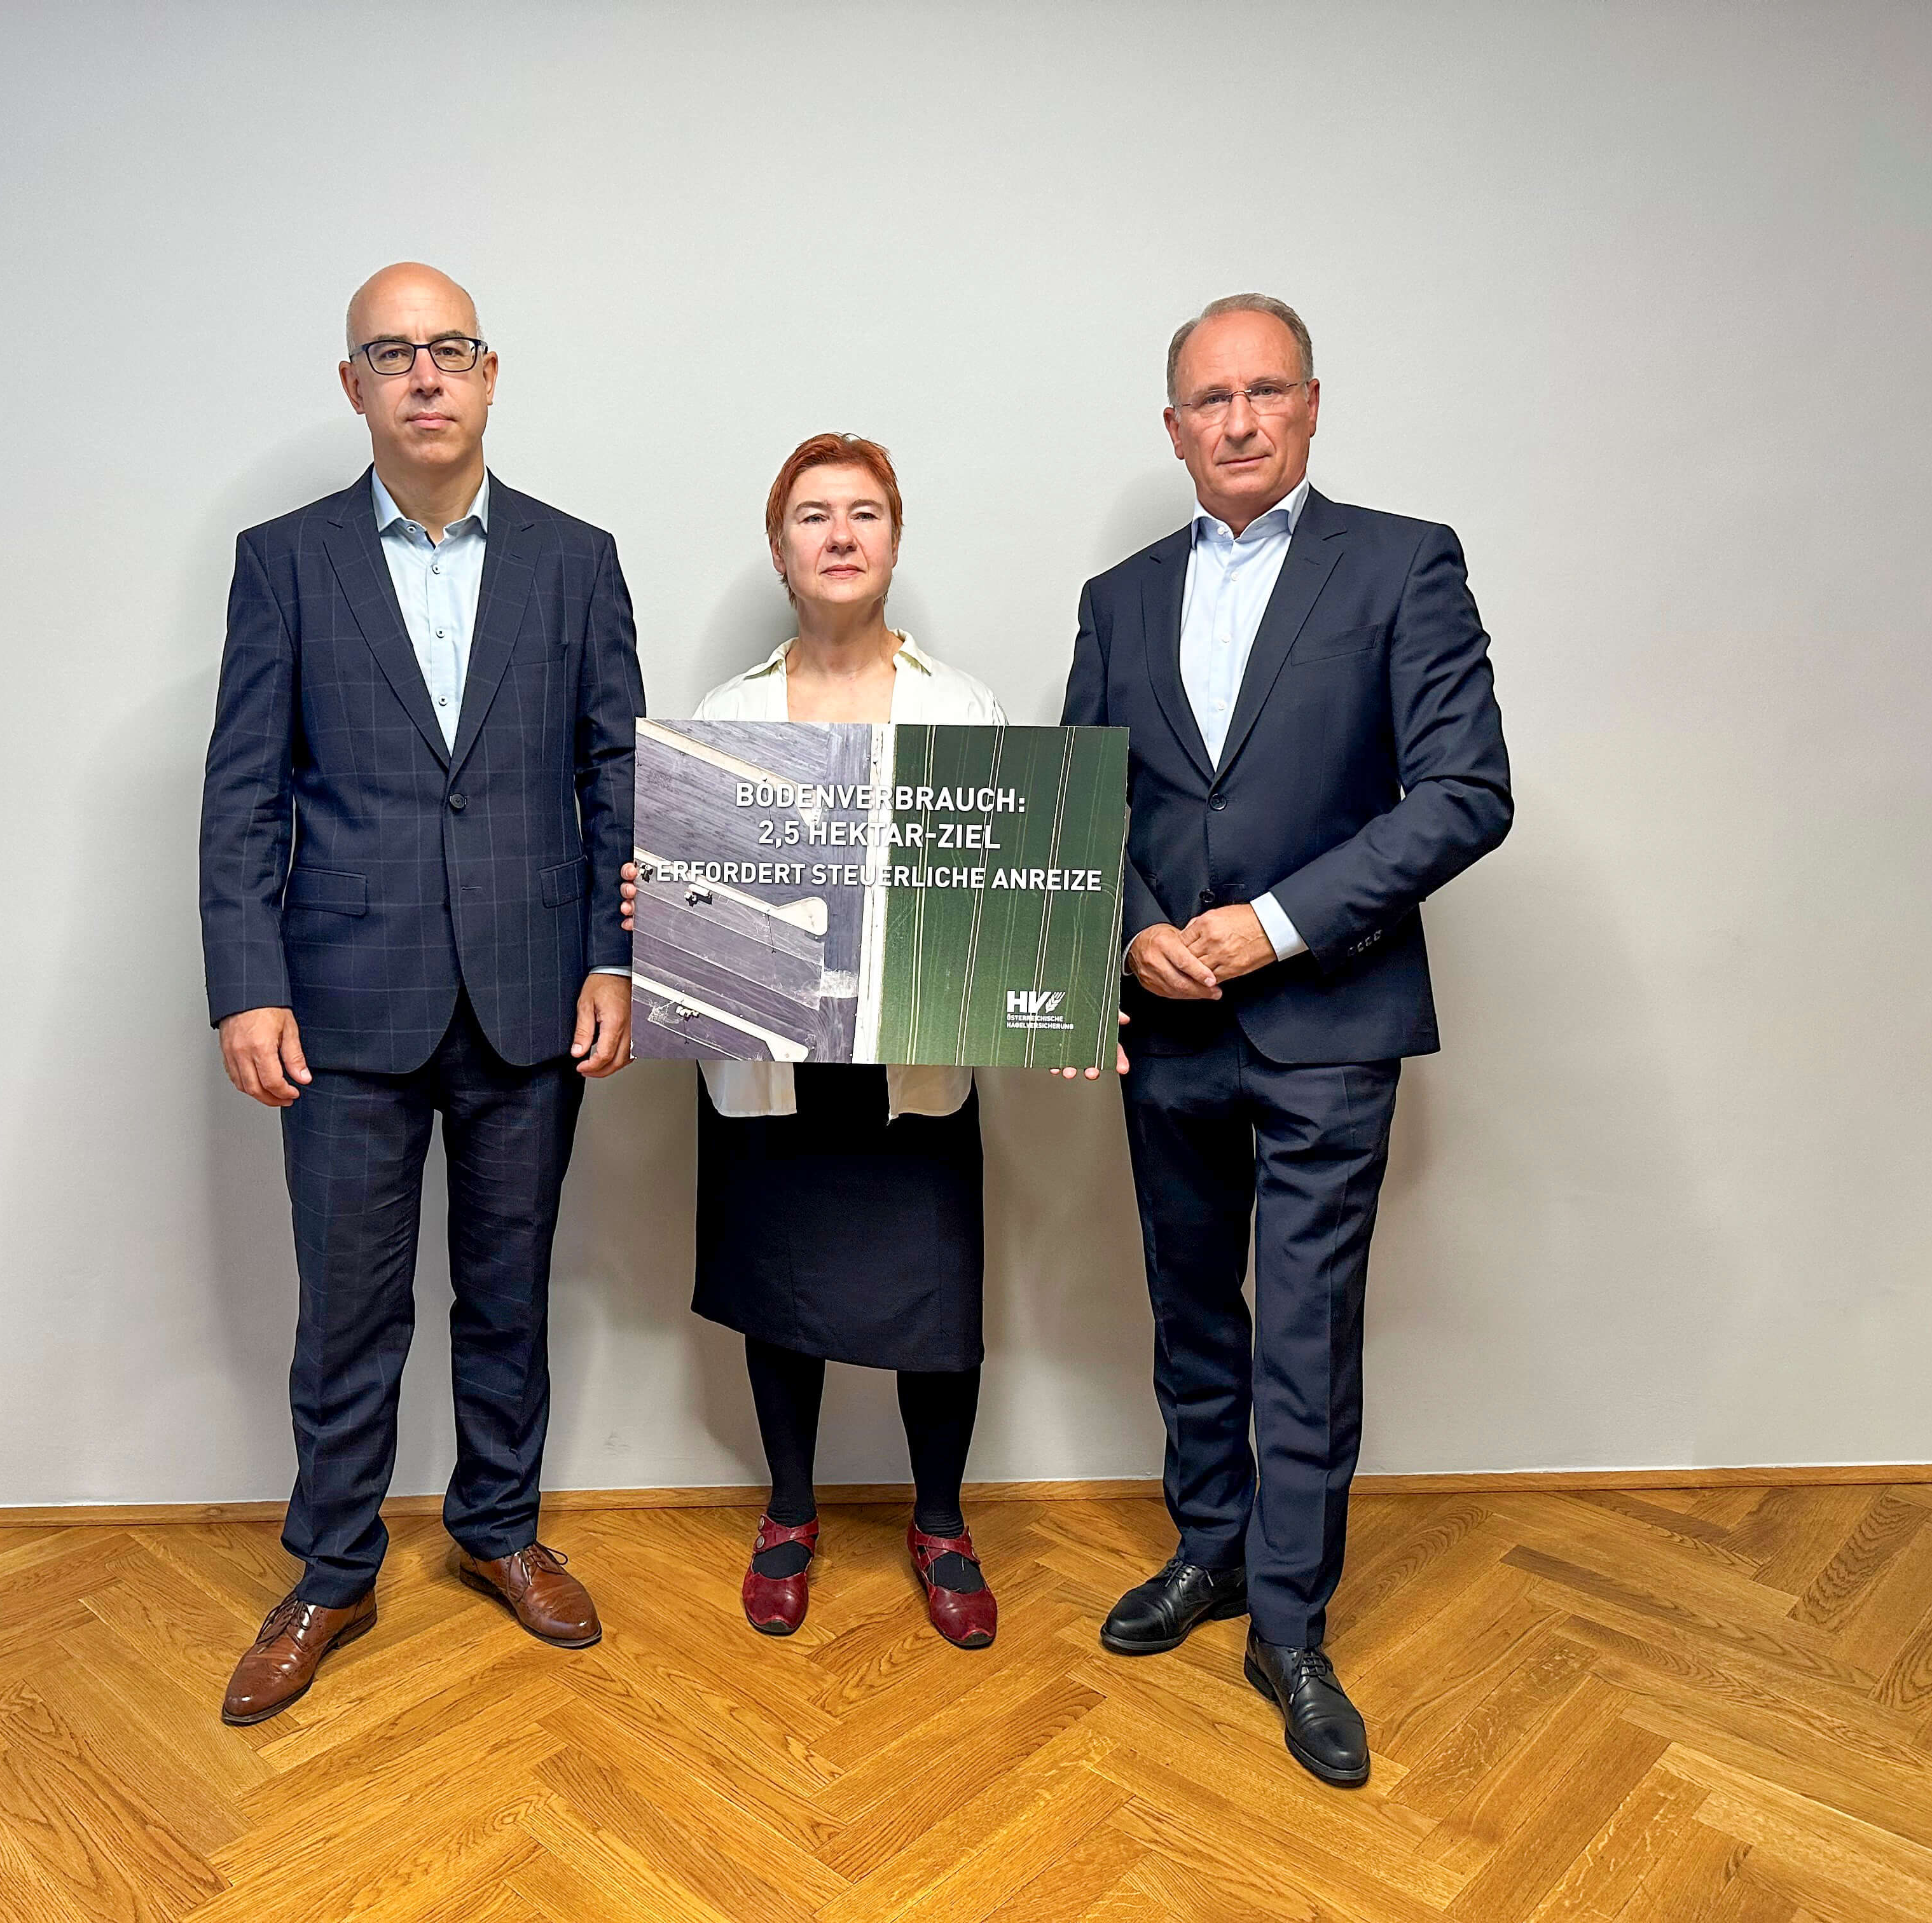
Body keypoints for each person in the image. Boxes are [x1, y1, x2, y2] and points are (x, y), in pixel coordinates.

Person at [1061, 295, 1511, 1785]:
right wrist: (1128, 931)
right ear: (1174, 426)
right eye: (1210, 400)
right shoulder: (1117, 596)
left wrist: (1273, 923)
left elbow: (1464, 793)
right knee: (1192, 1310)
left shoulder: (1402, 564)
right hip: (1163, 1017)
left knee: (1306, 1335)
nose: (1239, 421)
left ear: (1312, 406)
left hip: (1325, 1015)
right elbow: (1085, 806)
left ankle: (1290, 1622)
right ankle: (1209, 1552)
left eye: (1265, 393)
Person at [199, 262, 642, 1724]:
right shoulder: (286, 560)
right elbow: (243, 793)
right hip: (342, 1000)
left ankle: (499, 1530)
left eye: (449, 348)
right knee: (347, 1309)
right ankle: (331, 1569)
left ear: (492, 371)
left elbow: (613, 773)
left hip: (528, 995)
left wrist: (612, 953)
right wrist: (247, 984)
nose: (426, 376)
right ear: (355, 389)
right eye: (393, 354)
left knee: (509, 1296)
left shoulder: (577, 560)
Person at [621, 434, 1006, 1648]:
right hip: (770, 1054)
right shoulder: (726, 719)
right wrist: (661, 901)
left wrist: (1047, 964)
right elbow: (708, 898)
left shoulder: (965, 710)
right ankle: (790, 1512)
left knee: (935, 1293)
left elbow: (1002, 895)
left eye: (864, 513)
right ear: (779, 548)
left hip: (915, 1060)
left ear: (895, 538)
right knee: (779, 1279)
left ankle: (940, 1521)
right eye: (812, 516)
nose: (839, 535)